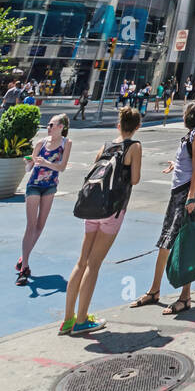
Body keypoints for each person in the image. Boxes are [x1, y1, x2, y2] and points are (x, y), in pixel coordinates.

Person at [60, 107, 142, 335]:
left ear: (119, 125)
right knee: (94, 264)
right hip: (113, 210)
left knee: (82, 261)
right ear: (137, 127)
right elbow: (134, 179)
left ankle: (68, 319)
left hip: (92, 208)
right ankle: (83, 319)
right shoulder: (134, 146)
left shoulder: (106, 145)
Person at [129, 101, 195, 316]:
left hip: (188, 196)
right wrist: (176, 166)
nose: (183, 115)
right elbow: (189, 163)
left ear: (191, 115)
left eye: (185, 112)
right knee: (165, 241)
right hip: (178, 194)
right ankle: (154, 291)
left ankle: (185, 297)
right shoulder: (191, 135)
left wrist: (191, 196)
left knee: (185, 244)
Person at [16, 114, 72, 285]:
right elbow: (29, 168)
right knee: (31, 225)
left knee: (40, 225)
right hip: (34, 185)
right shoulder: (41, 143)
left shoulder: (66, 143)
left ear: (61, 127)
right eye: (48, 125)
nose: (48, 127)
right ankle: (25, 267)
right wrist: (28, 162)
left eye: (52, 124)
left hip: (50, 186)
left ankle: (23, 257)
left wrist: (45, 162)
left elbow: (61, 167)